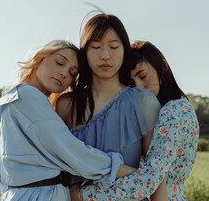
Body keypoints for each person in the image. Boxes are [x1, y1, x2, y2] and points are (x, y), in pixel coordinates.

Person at [0, 40, 135, 201]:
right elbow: (69, 149)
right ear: (39, 59)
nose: (64, 73)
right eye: (59, 62)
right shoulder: (27, 97)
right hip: (39, 195)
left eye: (72, 73)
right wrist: (121, 169)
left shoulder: (17, 100)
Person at [73, 41, 199, 201]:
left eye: (143, 76)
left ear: (163, 67)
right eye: (132, 83)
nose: (140, 86)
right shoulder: (158, 111)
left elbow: (150, 179)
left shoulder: (174, 111)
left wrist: (82, 195)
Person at [56, 14, 161, 174]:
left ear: (124, 50)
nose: (105, 55)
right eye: (96, 47)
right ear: (85, 52)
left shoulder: (143, 102)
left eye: (113, 47)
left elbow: (155, 175)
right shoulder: (66, 105)